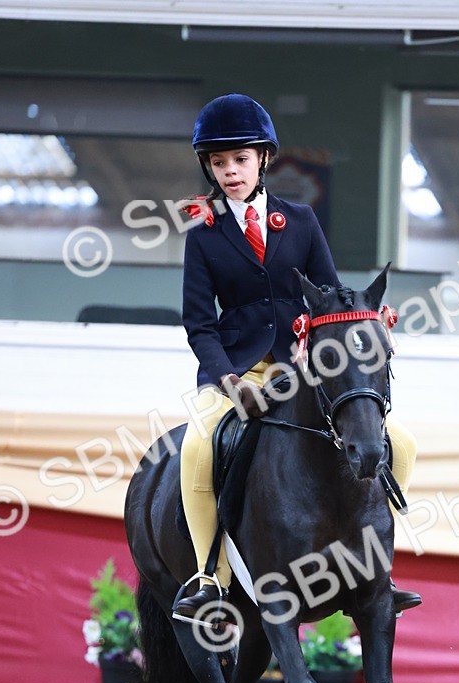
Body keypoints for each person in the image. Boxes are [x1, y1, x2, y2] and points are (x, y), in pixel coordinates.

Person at [174, 93, 421, 620]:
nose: (229, 172)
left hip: (301, 370)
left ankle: (379, 570)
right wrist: (228, 380)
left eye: (240, 160)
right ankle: (209, 578)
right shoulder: (203, 232)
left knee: (400, 442)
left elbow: (330, 297)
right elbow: (198, 323)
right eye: (218, 163)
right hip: (237, 371)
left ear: (263, 159)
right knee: (198, 449)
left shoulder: (301, 220)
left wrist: (367, 325)